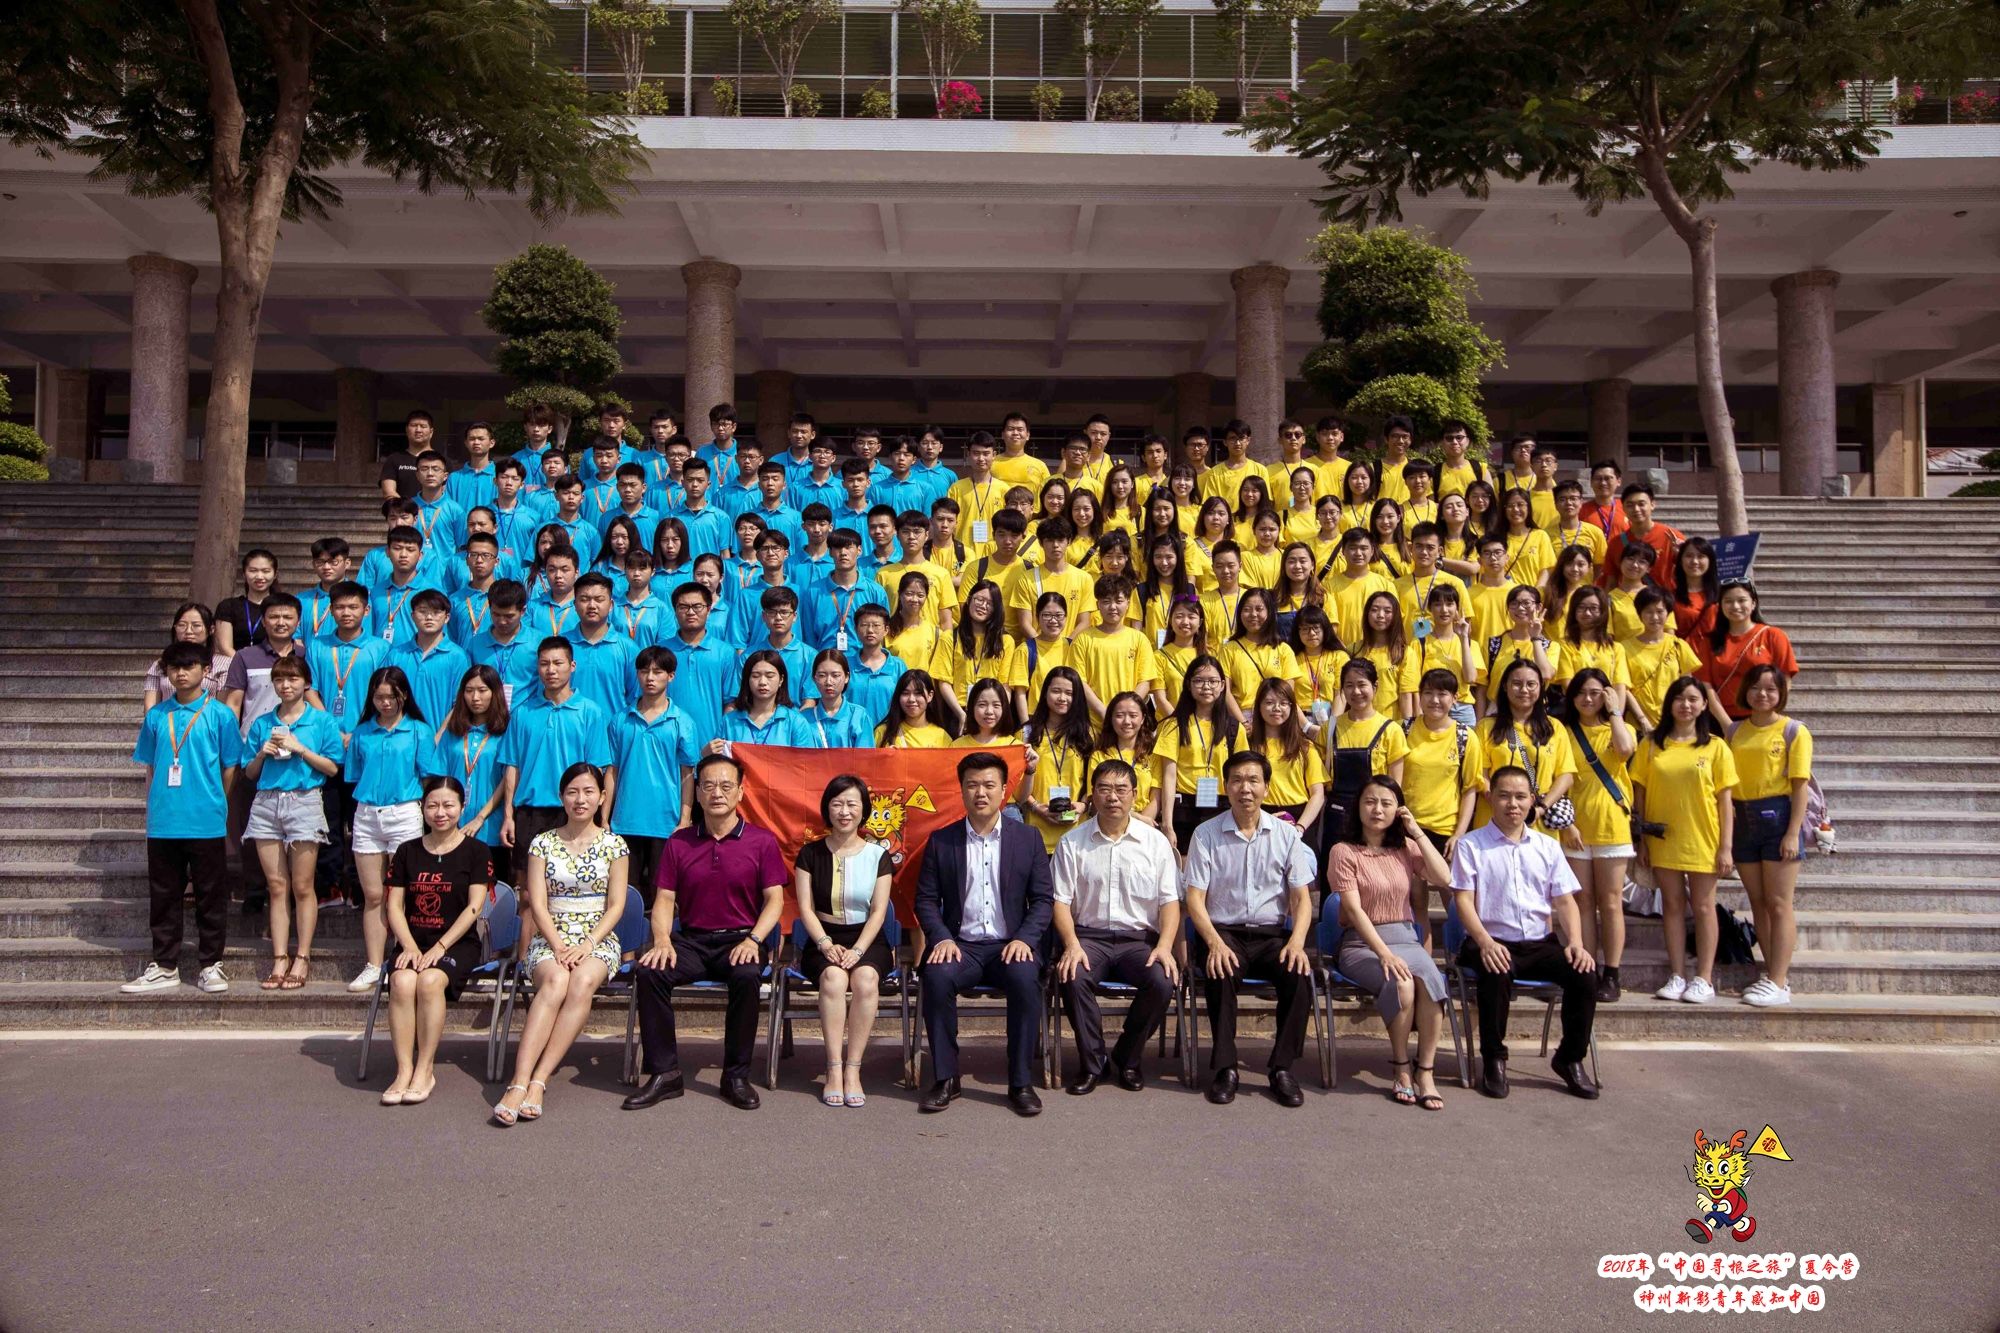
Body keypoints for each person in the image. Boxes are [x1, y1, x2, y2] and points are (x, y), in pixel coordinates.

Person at [625, 753, 786, 1112]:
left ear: (741, 792)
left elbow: (775, 900)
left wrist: (754, 940)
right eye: (709, 786)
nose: (717, 793)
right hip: (692, 940)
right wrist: (662, 940)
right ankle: (665, 1073)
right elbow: (664, 899)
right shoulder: (679, 842)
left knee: (747, 976)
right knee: (650, 972)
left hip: (741, 940)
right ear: (697, 793)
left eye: (726, 786)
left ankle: (736, 1076)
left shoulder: (761, 841)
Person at [915, 750, 1053, 1116]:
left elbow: (1043, 900)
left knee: (1025, 978)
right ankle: (946, 1078)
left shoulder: (1029, 839)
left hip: (1011, 946)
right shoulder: (942, 841)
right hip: (961, 946)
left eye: (989, 785)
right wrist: (942, 938)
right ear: (961, 790)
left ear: (1004, 790)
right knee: (937, 976)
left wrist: (1025, 939)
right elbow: (926, 900)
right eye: (972, 785)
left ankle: (1020, 1082)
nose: (981, 793)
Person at [1450, 766, 1601, 1100]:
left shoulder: (1547, 846)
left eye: (1520, 797)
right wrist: (1485, 942)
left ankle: (1570, 1058)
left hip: (1538, 943)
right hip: (1487, 940)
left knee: (1585, 973)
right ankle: (1494, 1058)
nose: (1512, 804)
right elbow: (1463, 900)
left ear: (1532, 800)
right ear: (1491, 798)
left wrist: (1577, 943)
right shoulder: (1471, 845)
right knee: (1496, 969)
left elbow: (1566, 901)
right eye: (1504, 796)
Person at [493, 763, 629, 1125]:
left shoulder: (615, 845)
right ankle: (518, 1082)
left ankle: (539, 1080)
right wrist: (557, 945)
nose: (580, 799)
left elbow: (616, 905)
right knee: (555, 980)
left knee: (581, 980)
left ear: (602, 797)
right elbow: (537, 903)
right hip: (550, 935)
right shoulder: (542, 843)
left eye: (588, 792)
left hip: (597, 938)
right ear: (561, 797)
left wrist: (587, 944)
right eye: (572, 792)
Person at [1183, 750, 1317, 1108]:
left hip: (1271, 934)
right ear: (1226, 786)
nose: (1246, 788)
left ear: (1266, 787)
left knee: (1298, 974)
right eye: (1238, 780)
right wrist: (1213, 943)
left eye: (1254, 780)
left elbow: (1301, 899)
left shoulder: (1286, 835)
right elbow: (1194, 899)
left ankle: (1282, 1068)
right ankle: (1226, 1068)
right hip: (1222, 932)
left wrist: (1298, 942)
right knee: (1221, 969)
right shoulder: (1206, 834)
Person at [121, 641, 246, 995]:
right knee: (164, 895)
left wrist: (217, 800)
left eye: (189, 666)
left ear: (206, 671)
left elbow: (231, 766)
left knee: (210, 895)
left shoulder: (220, 714)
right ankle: (164, 965)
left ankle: (210, 964)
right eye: (174, 668)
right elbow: (150, 766)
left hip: (205, 818)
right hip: (164, 820)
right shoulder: (156, 716)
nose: (180, 673)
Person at [1050, 759, 1181, 1095]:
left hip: (1138, 941)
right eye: (1104, 789)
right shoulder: (1072, 842)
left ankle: (1128, 1057)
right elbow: (1059, 902)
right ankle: (1093, 1064)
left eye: (1121, 789)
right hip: (1088, 938)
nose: (1113, 797)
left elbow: (1169, 902)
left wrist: (1164, 947)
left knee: (1163, 979)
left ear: (1135, 795)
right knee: (1072, 975)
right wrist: (1071, 945)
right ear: (1093, 795)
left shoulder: (1155, 843)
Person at [1332, 776, 1454, 1110]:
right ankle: (1401, 1067)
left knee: (1431, 981)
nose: (1377, 809)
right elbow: (1354, 911)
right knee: (1402, 983)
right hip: (1361, 944)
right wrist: (1383, 953)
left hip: (1406, 939)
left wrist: (1417, 833)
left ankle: (1425, 1071)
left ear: (1398, 810)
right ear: (1358, 807)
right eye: (1370, 801)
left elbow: (1444, 877)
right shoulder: (1343, 851)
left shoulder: (1406, 849)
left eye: (1386, 803)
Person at [380, 776, 490, 1106]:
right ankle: (403, 1069)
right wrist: (410, 946)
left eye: (448, 805)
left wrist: (440, 947)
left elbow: (474, 907)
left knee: (429, 981)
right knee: (401, 982)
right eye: (432, 806)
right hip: (413, 941)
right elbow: (394, 906)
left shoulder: (476, 851)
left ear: (462, 807)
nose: (440, 813)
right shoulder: (407, 851)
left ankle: (425, 1069)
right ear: (422, 808)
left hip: (457, 943)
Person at [1632, 676, 1739, 1006]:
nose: (1686, 705)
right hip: (1663, 837)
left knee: (1704, 907)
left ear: (1704, 705)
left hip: (1703, 837)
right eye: (1679, 699)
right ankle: (1677, 974)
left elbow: (1725, 801)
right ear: (1669, 704)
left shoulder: (1716, 746)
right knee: (1672, 905)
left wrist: (1726, 847)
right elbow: (1640, 793)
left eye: (1693, 699)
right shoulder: (1652, 744)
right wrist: (1643, 840)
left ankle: (1704, 978)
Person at [793, 775, 895, 1108]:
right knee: (834, 979)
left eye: (852, 804)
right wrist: (825, 943)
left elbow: (879, 911)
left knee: (865, 979)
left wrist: (859, 950)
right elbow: (805, 908)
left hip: (868, 938)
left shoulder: (878, 855)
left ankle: (854, 1069)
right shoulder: (809, 854)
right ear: (827, 809)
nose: (844, 811)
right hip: (823, 937)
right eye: (837, 804)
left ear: (864, 810)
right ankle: (833, 1068)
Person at [241, 657, 341, 990]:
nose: (286, 686)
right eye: (280, 680)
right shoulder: (263, 723)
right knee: (276, 885)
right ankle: (279, 957)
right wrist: (262, 753)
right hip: (267, 802)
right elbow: (249, 773)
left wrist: (300, 749)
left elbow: (332, 768)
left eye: (293, 679)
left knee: (302, 885)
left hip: (305, 800)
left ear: (305, 683)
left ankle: (303, 956)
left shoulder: (321, 720)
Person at [342, 666, 433, 993]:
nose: (385, 703)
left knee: (401, 891)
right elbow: (353, 775)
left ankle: (404, 956)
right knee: (373, 895)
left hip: (404, 812)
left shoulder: (418, 730)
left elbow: (428, 776)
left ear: (403, 696)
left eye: (391, 697)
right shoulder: (363, 732)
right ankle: (372, 964)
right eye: (379, 697)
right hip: (367, 814)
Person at [1728, 665, 1813, 1008]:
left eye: (1770, 689)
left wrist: (1793, 832)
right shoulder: (1734, 730)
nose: (1762, 694)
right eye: (1755, 688)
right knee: (1758, 902)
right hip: (1742, 817)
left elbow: (1800, 786)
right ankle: (1772, 973)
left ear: (1781, 694)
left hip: (1777, 816)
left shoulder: (1793, 731)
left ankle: (1778, 980)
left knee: (1779, 903)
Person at [1558, 668, 1639, 1002]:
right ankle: (1586, 968)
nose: (1588, 699)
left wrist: (1616, 710)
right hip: (1575, 826)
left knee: (1610, 901)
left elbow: (1625, 750)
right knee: (1583, 901)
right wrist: (1566, 824)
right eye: (1581, 692)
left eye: (1595, 692)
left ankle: (1612, 973)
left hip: (1611, 824)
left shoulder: (1620, 727)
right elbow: (1558, 777)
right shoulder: (1563, 732)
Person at [498, 637, 615, 856]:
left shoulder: (591, 712)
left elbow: (597, 770)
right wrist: (508, 815)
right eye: (544, 664)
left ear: (572, 666)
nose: (551, 670)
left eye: (558, 663)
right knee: (526, 878)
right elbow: (512, 767)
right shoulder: (522, 713)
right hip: (529, 812)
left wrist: (598, 816)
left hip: (573, 811)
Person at [1153, 654, 1240, 853]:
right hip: (1184, 808)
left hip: (1222, 806)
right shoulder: (1173, 725)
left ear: (1222, 685)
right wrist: (1167, 823)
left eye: (1213, 681)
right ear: (1188, 685)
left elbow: (1240, 774)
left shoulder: (1234, 728)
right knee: (1185, 867)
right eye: (1199, 681)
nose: (1206, 687)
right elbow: (1169, 775)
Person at [1702, 581, 1799, 725]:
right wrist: (1726, 725)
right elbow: (1706, 685)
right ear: (1720, 606)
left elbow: (1785, 678)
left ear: (1753, 603)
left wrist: (1767, 714)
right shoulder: (1709, 641)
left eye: (1742, 600)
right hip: (1719, 720)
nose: (1735, 606)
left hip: (1762, 717)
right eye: (1728, 601)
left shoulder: (1773, 635)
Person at [1021, 667, 1094, 851]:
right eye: (1056, 691)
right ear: (1045, 693)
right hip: (1037, 832)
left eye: (1069, 693)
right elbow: (1018, 784)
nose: (1062, 698)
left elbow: (1093, 779)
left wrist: (1083, 805)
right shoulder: (1027, 733)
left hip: (1077, 835)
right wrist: (1036, 807)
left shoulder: (1087, 734)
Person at [213, 548, 279, 658]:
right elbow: (225, 647)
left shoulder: (282, 607)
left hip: (274, 664)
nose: (259, 576)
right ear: (244, 574)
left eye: (265, 571)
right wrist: (245, 664)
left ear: (275, 574)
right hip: (236, 663)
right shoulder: (228, 606)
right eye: (253, 571)